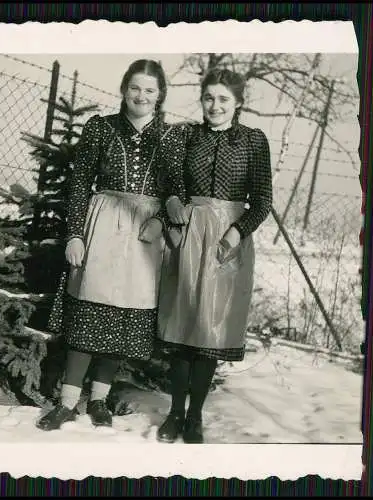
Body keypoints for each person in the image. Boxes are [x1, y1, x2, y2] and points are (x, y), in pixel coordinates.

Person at [36, 59, 187, 432]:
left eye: (150, 90)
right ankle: (68, 403)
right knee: (90, 310)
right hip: (101, 225)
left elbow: (178, 192)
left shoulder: (171, 137)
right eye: (135, 88)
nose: (141, 96)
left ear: (160, 95)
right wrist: (74, 234)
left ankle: (99, 400)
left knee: (123, 317)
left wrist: (161, 221)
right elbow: (80, 183)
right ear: (123, 89)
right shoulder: (100, 128)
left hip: (144, 237)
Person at [156, 68, 273, 444]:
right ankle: (174, 414)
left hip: (228, 239)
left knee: (209, 328)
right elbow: (170, 180)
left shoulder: (253, 141)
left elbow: (263, 200)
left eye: (223, 99)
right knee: (182, 322)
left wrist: (237, 230)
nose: (215, 106)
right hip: (189, 234)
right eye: (209, 97)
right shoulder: (187, 135)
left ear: (238, 102)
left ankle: (195, 417)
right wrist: (173, 199)